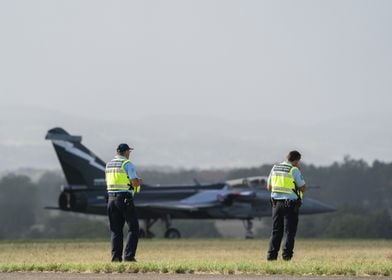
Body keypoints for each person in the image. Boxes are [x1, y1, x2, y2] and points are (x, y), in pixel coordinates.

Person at [266, 150, 307, 261]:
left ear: (287, 157)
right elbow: (303, 188)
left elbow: (269, 187)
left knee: (276, 231)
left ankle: (271, 257)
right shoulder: (294, 170)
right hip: (290, 205)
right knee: (289, 232)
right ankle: (286, 257)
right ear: (296, 160)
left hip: (276, 204)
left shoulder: (274, 168)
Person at [105, 143, 142, 262]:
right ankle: (129, 256)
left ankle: (116, 257)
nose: (129, 154)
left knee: (116, 229)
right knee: (134, 228)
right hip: (125, 198)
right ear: (126, 152)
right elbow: (134, 182)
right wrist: (138, 182)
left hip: (111, 199)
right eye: (129, 152)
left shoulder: (109, 165)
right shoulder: (127, 164)